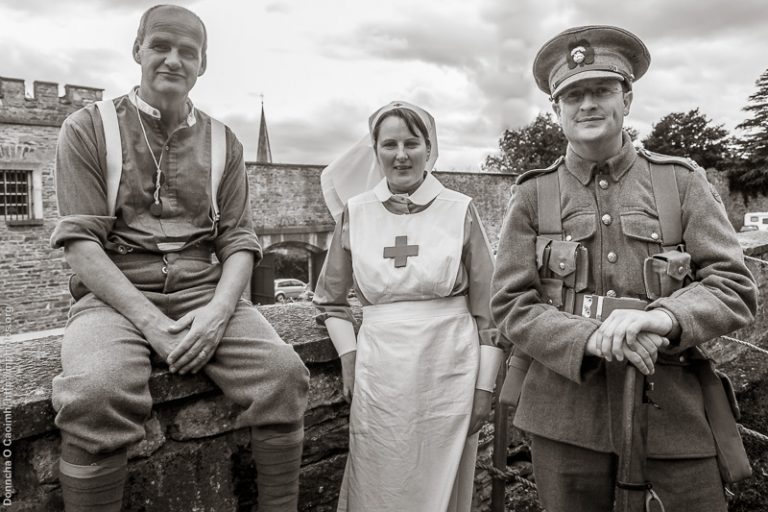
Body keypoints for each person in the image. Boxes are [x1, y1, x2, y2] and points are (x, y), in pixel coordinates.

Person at [50, 5, 309, 511]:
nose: (173, 60)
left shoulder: (222, 141)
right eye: (160, 46)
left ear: (202, 64)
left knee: (283, 375)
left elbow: (238, 240)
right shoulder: (87, 129)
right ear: (137, 51)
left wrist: (217, 314)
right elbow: (81, 244)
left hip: (203, 292)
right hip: (115, 299)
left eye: (187, 52)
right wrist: (149, 322)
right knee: (96, 394)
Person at [491, 25, 758, 512]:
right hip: (566, 417)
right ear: (557, 109)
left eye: (601, 90)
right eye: (573, 95)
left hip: (673, 415)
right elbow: (511, 303)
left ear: (627, 98)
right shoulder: (532, 194)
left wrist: (664, 318)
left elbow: (733, 286)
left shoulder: (681, 182)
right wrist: (586, 339)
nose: (587, 104)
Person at [313, 100, 504, 512]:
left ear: (429, 148)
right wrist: (350, 356)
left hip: (450, 365)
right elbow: (330, 300)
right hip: (380, 369)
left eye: (412, 143)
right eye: (389, 144)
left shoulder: (460, 210)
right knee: (379, 480)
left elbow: (490, 312)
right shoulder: (356, 213)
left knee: (441, 487)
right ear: (376, 151)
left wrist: (484, 386)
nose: (401, 155)